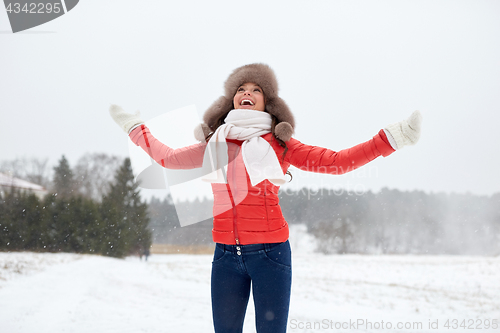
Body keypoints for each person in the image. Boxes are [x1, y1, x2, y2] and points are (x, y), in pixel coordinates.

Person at [109, 63, 422, 333]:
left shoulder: (280, 145)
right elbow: (167, 158)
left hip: (270, 256)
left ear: (267, 103)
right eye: (241, 88)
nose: (247, 92)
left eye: (256, 89)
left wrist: (391, 138)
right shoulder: (215, 145)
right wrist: (135, 128)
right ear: (231, 99)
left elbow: (337, 162)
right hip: (225, 257)